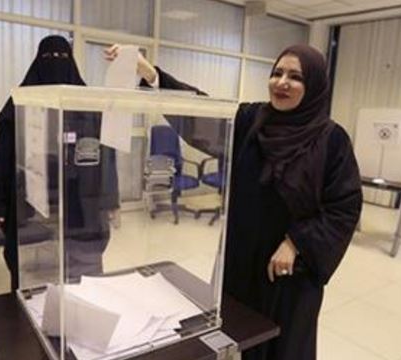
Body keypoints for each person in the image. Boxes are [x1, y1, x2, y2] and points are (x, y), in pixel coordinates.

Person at [105, 44, 362, 360]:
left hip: (287, 272)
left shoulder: (331, 139)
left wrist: (297, 243)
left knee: (283, 345)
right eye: (277, 73)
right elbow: (201, 114)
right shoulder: (252, 119)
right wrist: (151, 73)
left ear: (314, 87)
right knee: (236, 334)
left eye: (295, 77)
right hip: (239, 259)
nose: (282, 82)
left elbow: (344, 206)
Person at [0, 35, 119, 289]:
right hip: (29, 198)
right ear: (38, 61)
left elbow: (106, 155)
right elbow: (1, 157)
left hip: (81, 199)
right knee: (30, 276)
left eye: (61, 58)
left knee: (84, 266)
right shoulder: (20, 102)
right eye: (49, 58)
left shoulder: (87, 103)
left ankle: (84, 306)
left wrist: (110, 199)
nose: (55, 65)